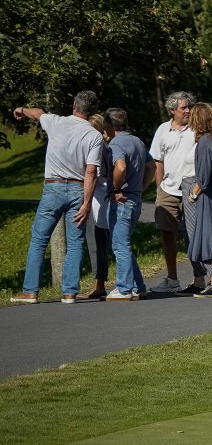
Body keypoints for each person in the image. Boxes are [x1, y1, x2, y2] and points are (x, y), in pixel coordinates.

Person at [11, 91, 103, 304]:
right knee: (75, 242)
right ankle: (69, 292)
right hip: (78, 189)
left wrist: (22, 110)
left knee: (39, 240)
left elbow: (37, 113)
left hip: (53, 188)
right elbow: (91, 171)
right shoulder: (94, 136)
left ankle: (30, 291)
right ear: (92, 112)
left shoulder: (56, 122)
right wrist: (87, 204)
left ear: (74, 105)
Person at [148, 90, 197, 293]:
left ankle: (199, 279)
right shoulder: (162, 129)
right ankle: (172, 279)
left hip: (192, 190)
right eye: (183, 107)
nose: (188, 111)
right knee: (167, 235)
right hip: (168, 190)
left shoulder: (196, 128)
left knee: (194, 235)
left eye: (189, 107)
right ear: (172, 110)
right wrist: (159, 187)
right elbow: (157, 160)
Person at [183, 103, 212, 296]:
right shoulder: (208, 140)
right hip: (204, 192)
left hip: (202, 194)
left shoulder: (205, 142)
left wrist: (193, 194)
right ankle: (210, 281)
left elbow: (203, 176)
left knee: (205, 234)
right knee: (202, 234)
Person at [104, 108, 150, 300]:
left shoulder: (116, 143)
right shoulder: (137, 141)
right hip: (135, 197)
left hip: (122, 199)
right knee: (125, 244)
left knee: (119, 245)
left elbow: (120, 166)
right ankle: (138, 286)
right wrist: (141, 187)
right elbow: (151, 166)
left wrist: (116, 189)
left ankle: (123, 288)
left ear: (109, 125)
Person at [77, 112, 116, 301]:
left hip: (97, 198)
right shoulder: (108, 146)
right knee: (103, 242)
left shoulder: (98, 147)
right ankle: (100, 283)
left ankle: (99, 284)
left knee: (96, 242)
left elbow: (93, 174)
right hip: (104, 196)